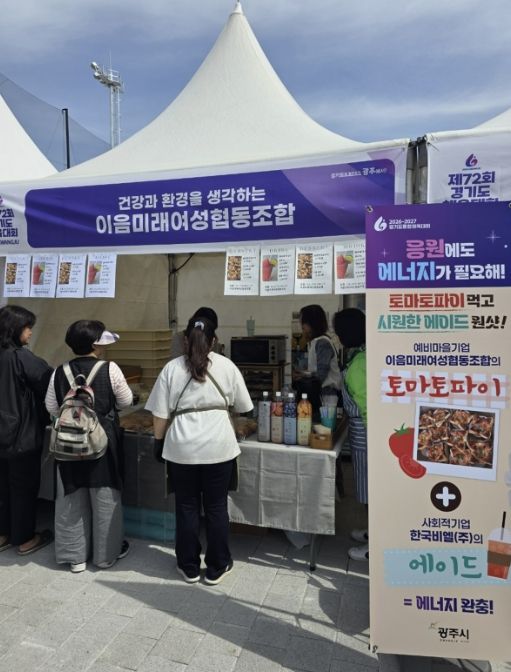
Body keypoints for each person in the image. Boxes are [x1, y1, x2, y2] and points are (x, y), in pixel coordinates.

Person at [146, 316, 253, 585]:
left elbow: (160, 414)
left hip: (181, 448)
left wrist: (158, 442)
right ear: (214, 341)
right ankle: (217, 565)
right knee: (217, 507)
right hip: (219, 446)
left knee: (186, 507)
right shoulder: (227, 366)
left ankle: (189, 566)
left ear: (185, 340)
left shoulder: (171, 368)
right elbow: (244, 406)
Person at [45, 320, 133, 573]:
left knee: (70, 497)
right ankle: (105, 556)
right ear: (95, 344)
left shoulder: (59, 371)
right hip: (102, 441)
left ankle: (75, 558)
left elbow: (51, 407)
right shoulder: (110, 368)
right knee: (105, 497)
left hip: (67, 443)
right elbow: (126, 401)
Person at [0, 305, 53, 555]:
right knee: (23, 487)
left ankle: (2, 534)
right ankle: (24, 539)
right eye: (27, 327)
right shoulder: (20, 357)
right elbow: (49, 381)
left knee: (2, 487)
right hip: (20, 435)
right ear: (15, 329)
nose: (30, 332)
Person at [333, 308, 368, 561]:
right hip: (360, 429)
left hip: (365, 431)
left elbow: (366, 404)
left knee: (370, 488)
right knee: (366, 486)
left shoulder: (359, 364)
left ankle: (375, 544)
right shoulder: (361, 356)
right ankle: (372, 530)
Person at [293, 304, 342, 419]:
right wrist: (303, 374)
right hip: (321, 393)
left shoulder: (322, 343)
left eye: (303, 322)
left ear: (311, 323)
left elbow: (321, 374)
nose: (301, 326)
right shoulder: (316, 341)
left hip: (327, 395)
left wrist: (304, 376)